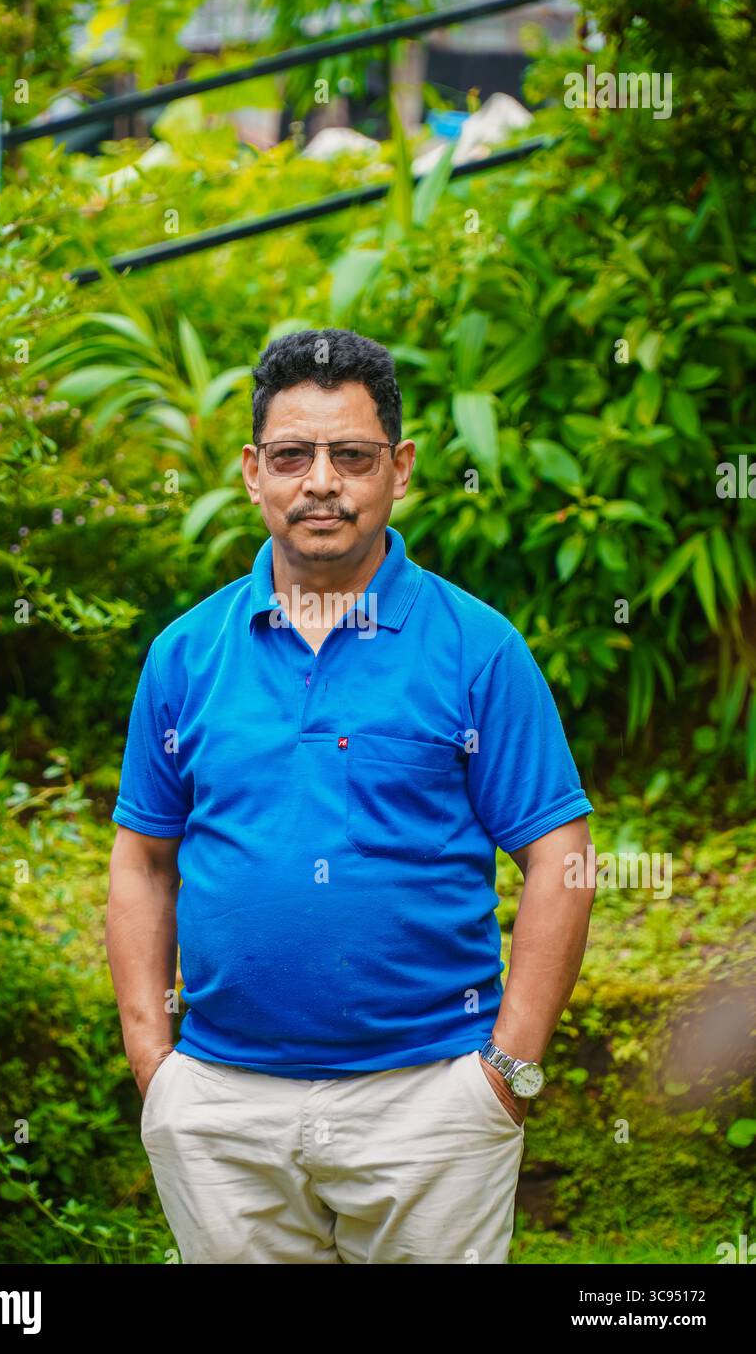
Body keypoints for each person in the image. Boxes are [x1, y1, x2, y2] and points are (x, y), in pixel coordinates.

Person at [106, 327, 595, 1264]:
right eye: (292, 455)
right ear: (253, 472)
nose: (321, 481)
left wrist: (507, 1069)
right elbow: (143, 857)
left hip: (430, 1104)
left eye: (352, 456)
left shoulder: (477, 647)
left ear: (399, 470)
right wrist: (154, 1066)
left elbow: (560, 855)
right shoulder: (184, 654)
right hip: (221, 1107)